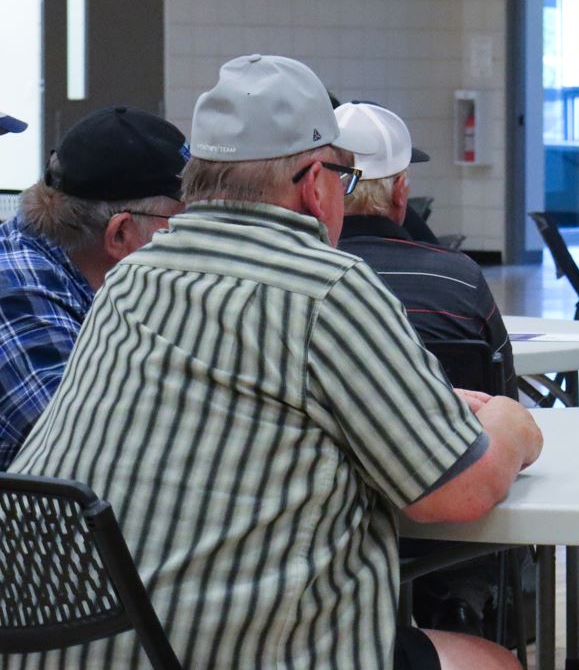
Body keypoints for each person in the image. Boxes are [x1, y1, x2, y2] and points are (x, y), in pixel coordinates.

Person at [9, 54, 543, 670]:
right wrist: (510, 424)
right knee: (493, 663)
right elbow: (457, 490)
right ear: (316, 182)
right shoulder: (328, 286)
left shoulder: (128, 281)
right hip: (219, 651)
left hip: (57, 640)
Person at [334, 100, 518, 633]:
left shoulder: (290, 287)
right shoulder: (458, 278)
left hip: (339, 519)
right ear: (400, 191)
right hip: (452, 514)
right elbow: (503, 394)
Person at [0, 106, 186, 465]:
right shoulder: (17, 297)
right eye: (184, 220)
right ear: (120, 234)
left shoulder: (64, 268)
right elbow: (92, 453)